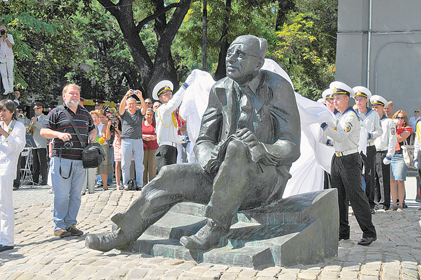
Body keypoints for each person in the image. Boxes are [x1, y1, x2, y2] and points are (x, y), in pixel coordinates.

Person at [85, 35, 301, 252]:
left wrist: (262, 149)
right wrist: (208, 157)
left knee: (237, 148)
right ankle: (123, 234)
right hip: (222, 175)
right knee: (171, 174)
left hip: (263, 180)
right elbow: (204, 139)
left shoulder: (278, 88)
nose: (231, 59)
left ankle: (216, 227)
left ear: (258, 63)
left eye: (241, 54)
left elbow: (291, 146)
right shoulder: (220, 89)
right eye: (229, 53)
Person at [320, 81, 376, 246]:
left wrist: (324, 126)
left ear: (346, 99)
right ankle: (342, 231)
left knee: (356, 196)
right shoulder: (340, 116)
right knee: (339, 197)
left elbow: (341, 136)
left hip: (350, 160)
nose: (335, 101)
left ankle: (369, 232)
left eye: (338, 98)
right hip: (338, 158)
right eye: (333, 98)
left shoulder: (351, 116)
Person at [40, 84, 96, 238]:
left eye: (77, 93)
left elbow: (93, 128)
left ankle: (71, 224)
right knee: (62, 195)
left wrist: (92, 134)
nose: (75, 96)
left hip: (80, 160)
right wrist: (58, 135)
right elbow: (43, 131)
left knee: (76, 194)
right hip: (62, 160)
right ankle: (59, 226)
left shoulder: (85, 113)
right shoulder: (56, 112)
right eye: (71, 93)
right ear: (64, 96)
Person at [0, 99, 25, 252]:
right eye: (0, 111)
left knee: (4, 205)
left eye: (4, 110)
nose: (1, 113)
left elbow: (18, 147)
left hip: (6, 169)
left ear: (12, 112)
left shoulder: (18, 126)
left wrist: (4, 133)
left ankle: (7, 241)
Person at [353, 86, 382, 213]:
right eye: (357, 99)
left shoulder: (373, 114)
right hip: (355, 147)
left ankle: (370, 204)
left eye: (361, 99)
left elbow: (379, 130)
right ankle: (357, 204)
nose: (358, 102)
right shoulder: (352, 114)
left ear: (366, 100)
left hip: (369, 147)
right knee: (356, 176)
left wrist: (370, 135)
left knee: (370, 175)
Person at [151, 80, 183, 173]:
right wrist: (184, 87)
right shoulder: (163, 109)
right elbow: (174, 103)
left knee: (171, 178)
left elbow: (172, 134)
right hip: (165, 148)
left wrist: (185, 138)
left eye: (170, 94)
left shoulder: (170, 114)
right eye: (166, 95)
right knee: (163, 177)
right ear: (160, 98)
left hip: (172, 148)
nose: (170, 96)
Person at [371, 95, 396, 211]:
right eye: (373, 107)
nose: (374, 109)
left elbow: (392, 138)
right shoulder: (372, 121)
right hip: (373, 152)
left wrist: (389, 154)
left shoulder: (388, 122)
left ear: (382, 108)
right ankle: (376, 201)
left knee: (383, 179)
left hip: (383, 152)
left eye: (377, 107)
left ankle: (384, 203)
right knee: (374, 178)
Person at [119, 90, 147, 190]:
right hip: (126, 140)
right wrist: (126, 95)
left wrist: (140, 97)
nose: (131, 105)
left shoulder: (139, 113)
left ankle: (140, 184)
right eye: (129, 104)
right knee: (125, 163)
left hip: (138, 140)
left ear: (136, 105)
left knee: (139, 163)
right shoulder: (124, 113)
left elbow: (145, 108)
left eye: (133, 104)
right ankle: (126, 184)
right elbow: (121, 107)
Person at [390, 110, 412, 212]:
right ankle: (394, 204)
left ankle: (401, 204)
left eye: (402, 118)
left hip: (400, 155)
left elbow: (400, 138)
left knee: (400, 180)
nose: (399, 119)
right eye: (397, 117)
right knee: (392, 180)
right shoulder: (392, 128)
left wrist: (393, 129)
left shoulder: (407, 129)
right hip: (391, 154)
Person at [30, 102, 49, 185]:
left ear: (41, 109)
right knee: (35, 163)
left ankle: (45, 180)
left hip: (41, 142)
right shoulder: (35, 118)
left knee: (42, 162)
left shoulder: (45, 118)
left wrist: (35, 123)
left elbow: (43, 128)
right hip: (34, 142)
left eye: (38, 109)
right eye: (35, 109)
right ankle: (35, 180)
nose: (36, 111)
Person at [142, 108, 158, 186]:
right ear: (145, 115)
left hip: (153, 147)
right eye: (147, 114)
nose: (149, 116)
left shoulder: (155, 124)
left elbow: (159, 134)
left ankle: (152, 184)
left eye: (151, 114)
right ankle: (143, 183)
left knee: (152, 166)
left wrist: (154, 137)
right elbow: (138, 134)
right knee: (143, 166)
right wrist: (144, 136)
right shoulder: (141, 124)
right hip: (143, 147)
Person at [0, 26, 14, 96]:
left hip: (9, 57)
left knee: (10, 74)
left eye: (3, 30)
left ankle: (11, 88)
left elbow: (10, 45)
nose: (2, 31)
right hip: (2, 58)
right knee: (3, 74)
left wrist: (5, 38)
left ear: (6, 30)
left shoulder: (9, 36)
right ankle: (6, 89)